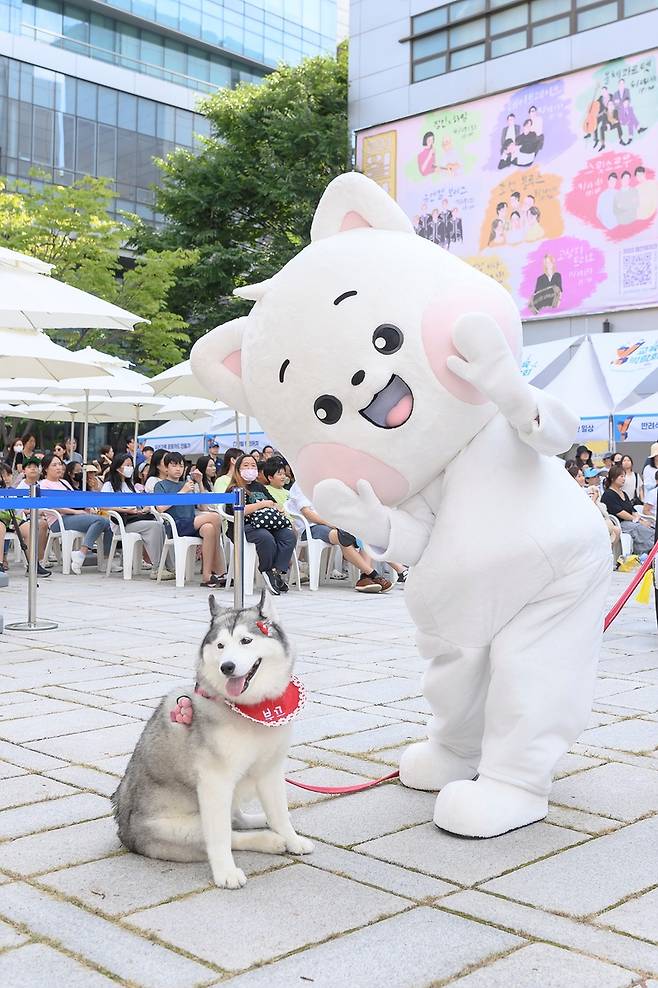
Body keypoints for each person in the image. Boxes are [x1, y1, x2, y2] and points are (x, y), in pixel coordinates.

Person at [286, 481, 393, 593]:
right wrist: (330, 523)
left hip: (333, 524)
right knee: (343, 536)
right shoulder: (300, 484)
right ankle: (373, 574)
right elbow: (308, 513)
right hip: (310, 527)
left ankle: (365, 578)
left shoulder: (326, 482)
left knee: (364, 532)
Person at [225, 453, 296, 596]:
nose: (250, 468)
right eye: (246, 465)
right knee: (266, 538)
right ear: (238, 469)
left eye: (253, 465)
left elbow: (273, 502)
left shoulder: (259, 486)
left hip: (267, 524)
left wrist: (276, 507)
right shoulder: (234, 489)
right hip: (243, 526)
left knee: (289, 535)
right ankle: (266, 569)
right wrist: (261, 505)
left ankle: (275, 571)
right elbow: (238, 511)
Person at [154, 451, 223, 589]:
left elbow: (203, 507)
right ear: (166, 468)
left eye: (181, 465)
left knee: (209, 528)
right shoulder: (161, 485)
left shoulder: (188, 484)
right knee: (216, 517)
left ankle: (207, 576)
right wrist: (181, 493)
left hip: (191, 523)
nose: (178, 469)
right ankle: (220, 570)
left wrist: (200, 483)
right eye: (174, 465)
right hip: (175, 525)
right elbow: (160, 508)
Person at [39, 452, 113, 575]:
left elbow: (75, 500)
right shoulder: (43, 485)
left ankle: (105, 559)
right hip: (59, 520)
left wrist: (86, 509)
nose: (59, 467)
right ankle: (82, 553)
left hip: (73, 516)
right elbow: (55, 506)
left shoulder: (64, 483)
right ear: (46, 469)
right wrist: (76, 512)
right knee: (99, 521)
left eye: (59, 464)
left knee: (107, 523)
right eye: (54, 465)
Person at [102, 454, 165, 577]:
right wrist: (124, 510)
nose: (130, 468)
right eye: (127, 465)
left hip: (134, 519)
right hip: (121, 523)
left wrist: (144, 508)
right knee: (154, 527)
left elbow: (139, 504)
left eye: (131, 465)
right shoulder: (108, 486)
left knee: (160, 525)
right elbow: (103, 506)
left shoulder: (130, 486)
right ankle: (157, 566)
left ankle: (164, 565)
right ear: (117, 467)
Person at [0, 457, 51, 577]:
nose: (6, 478)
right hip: (2, 519)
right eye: (3, 476)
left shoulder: (14, 491)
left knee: (29, 529)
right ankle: (0, 564)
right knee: (0, 529)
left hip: (14, 519)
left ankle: (33, 565)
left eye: (8, 475)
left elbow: (19, 509)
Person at [602, 464, 654, 554]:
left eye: (624, 476)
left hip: (630, 522)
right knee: (643, 529)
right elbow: (619, 512)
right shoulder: (608, 494)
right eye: (621, 476)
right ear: (613, 478)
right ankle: (649, 553)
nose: (624, 479)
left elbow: (632, 509)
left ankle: (649, 552)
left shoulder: (623, 493)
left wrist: (640, 519)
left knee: (650, 527)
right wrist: (637, 520)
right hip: (620, 524)